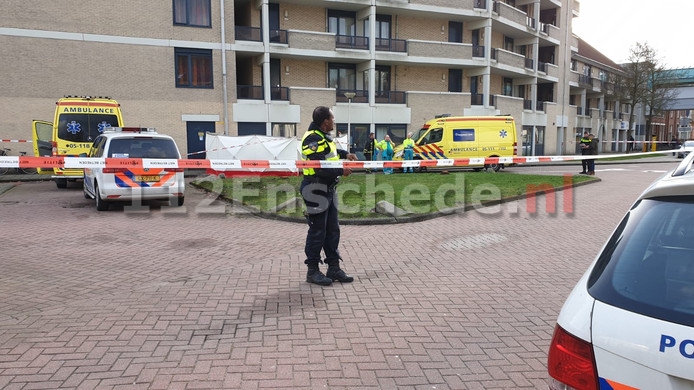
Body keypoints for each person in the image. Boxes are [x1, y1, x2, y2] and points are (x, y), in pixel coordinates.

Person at [300, 106, 358, 286]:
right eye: (332, 119)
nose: (333, 121)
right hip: (315, 188)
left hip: (328, 188)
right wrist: (342, 170)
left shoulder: (323, 137)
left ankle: (333, 267)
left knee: (333, 229)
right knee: (318, 230)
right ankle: (312, 271)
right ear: (325, 121)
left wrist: (345, 154)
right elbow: (319, 166)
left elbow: (330, 153)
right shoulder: (312, 139)